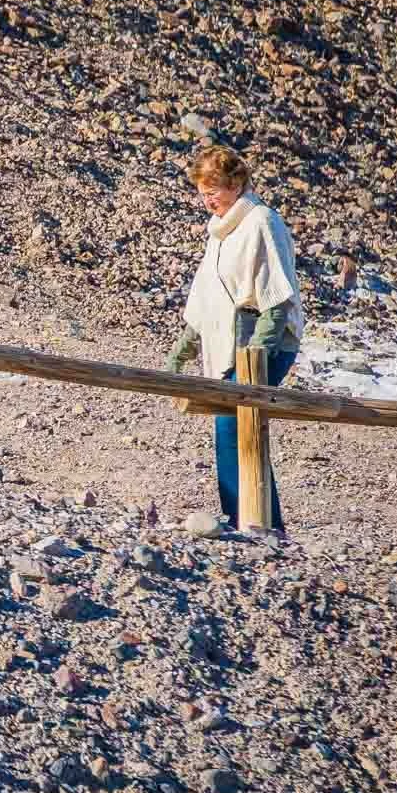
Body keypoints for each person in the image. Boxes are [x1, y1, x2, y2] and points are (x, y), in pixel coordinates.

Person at [165, 144, 304, 531]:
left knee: (235, 422)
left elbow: (277, 294)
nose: (207, 199)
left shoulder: (261, 221)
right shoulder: (219, 232)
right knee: (229, 426)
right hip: (231, 342)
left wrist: (257, 352)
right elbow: (207, 297)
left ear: (236, 183)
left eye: (214, 190)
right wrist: (181, 352)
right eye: (202, 191)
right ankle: (241, 517)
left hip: (264, 342)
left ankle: (263, 523)